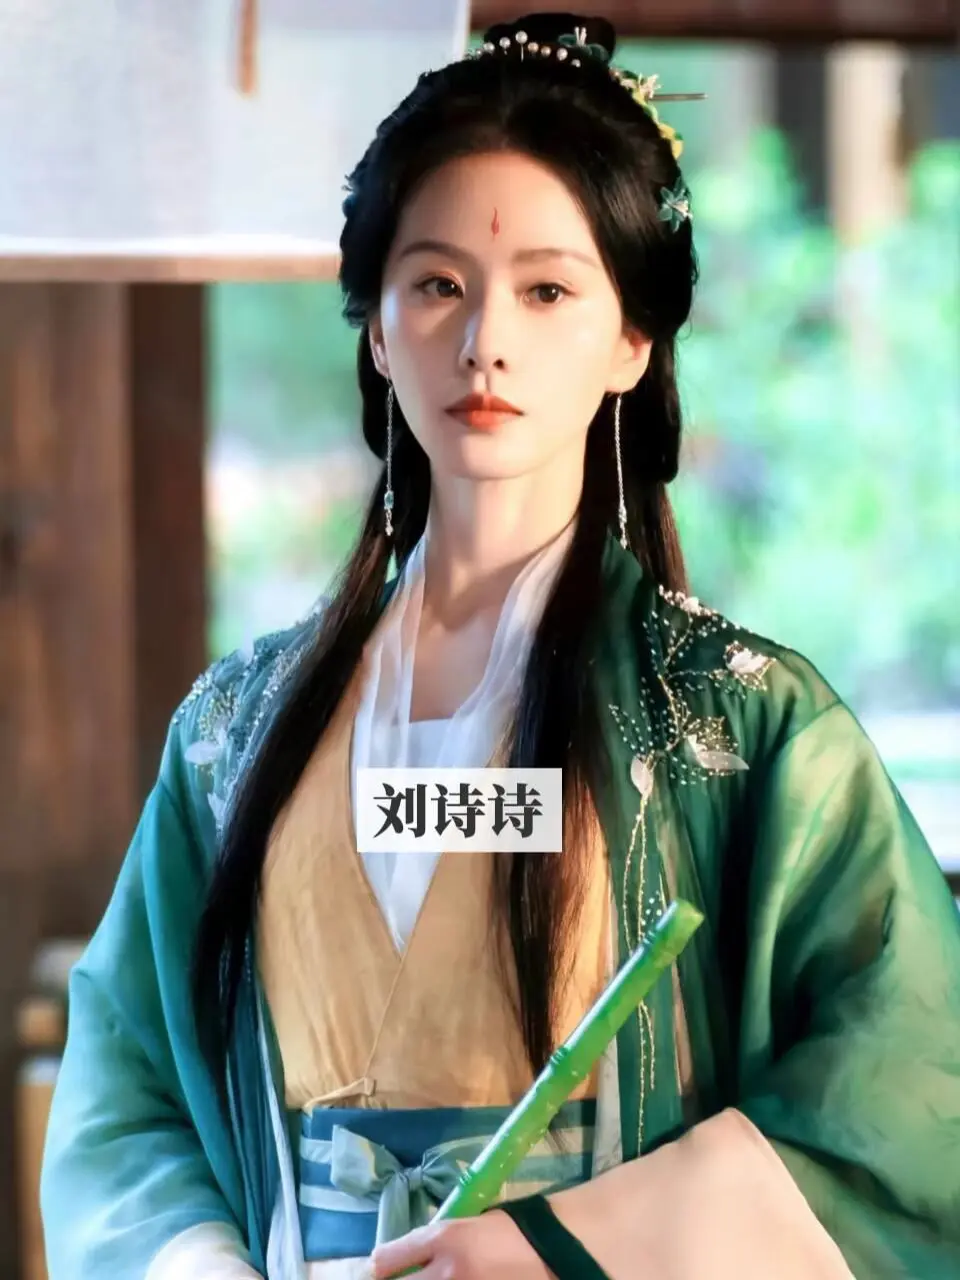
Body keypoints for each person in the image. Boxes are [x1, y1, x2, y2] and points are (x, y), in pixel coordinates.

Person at [40, 11, 960, 1280]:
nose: (487, 342)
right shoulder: (233, 731)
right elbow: (123, 1090)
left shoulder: (741, 726)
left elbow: (915, 1084)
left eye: (546, 289)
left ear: (632, 338)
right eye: (437, 286)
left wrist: (559, 1244)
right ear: (375, 328)